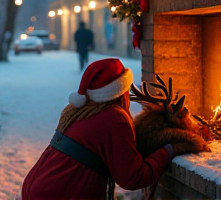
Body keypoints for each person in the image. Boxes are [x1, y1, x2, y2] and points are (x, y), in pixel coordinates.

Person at [21, 58, 194, 200]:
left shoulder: (78, 110)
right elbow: (133, 178)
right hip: (62, 193)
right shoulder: (114, 119)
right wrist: (170, 149)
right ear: (120, 92)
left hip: (38, 186)